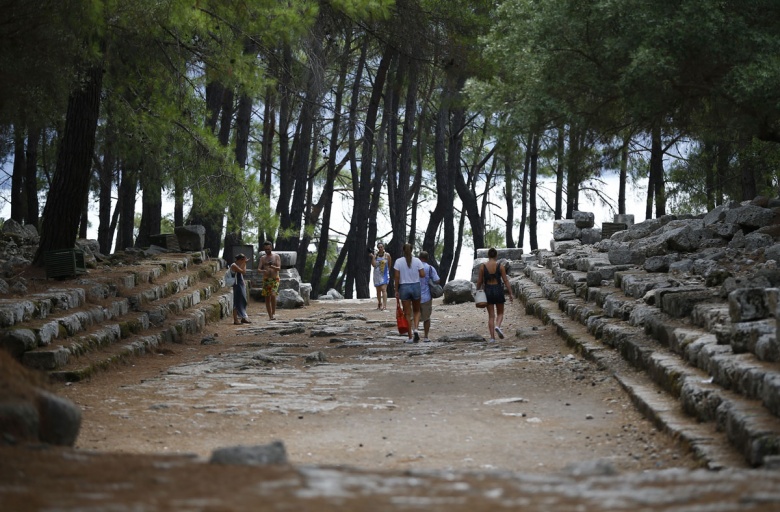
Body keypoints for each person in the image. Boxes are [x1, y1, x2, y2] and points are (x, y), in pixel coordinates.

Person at [476, 247, 514, 342]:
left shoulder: (482, 266)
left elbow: (480, 281)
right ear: (496, 256)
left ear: (488, 256)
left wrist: (477, 292)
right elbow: (505, 280)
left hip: (488, 290)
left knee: (491, 316)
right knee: (500, 313)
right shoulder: (500, 266)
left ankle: (492, 338)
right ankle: (498, 326)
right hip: (498, 289)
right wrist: (510, 293)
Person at [394, 242, 425, 343]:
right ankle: (416, 329)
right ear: (412, 250)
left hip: (404, 287)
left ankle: (410, 337)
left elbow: (397, 277)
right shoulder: (417, 261)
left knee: (407, 313)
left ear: (403, 250)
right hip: (416, 286)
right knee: (416, 311)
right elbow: (422, 274)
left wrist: (396, 290)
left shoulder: (398, 262)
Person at [417, 251, 439, 343]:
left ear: (419, 257)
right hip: (426, 296)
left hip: (415, 295)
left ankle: (415, 333)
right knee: (427, 318)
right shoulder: (430, 268)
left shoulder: (414, 267)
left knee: (415, 316)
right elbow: (437, 280)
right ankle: (426, 337)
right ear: (427, 258)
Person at [258, 240, 281, 320]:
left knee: (273, 295)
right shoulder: (262, 258)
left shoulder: (276, 256)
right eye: (265, 249)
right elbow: (259, 269)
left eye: (268, 249)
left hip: (275, 279)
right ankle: (270, 315)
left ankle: (273, 311)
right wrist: (263, 271)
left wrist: (272, 266)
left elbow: (279, 268)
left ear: (271, 248)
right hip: (266, 279)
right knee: (267, 297)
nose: (267, 251)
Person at [230, 254, 251, 325]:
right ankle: (235, 320)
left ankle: (243, 317)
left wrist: (244, 263)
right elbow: (243, 271)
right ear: (240, 260)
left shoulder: (240, 265)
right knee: (237, 301)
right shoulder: (234, 265)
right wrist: (244, 263)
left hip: (241, 284)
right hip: (237, 285)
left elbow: (243, 271)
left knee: (243, 300)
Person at [370, 242, 392, 310]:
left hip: (384, 274)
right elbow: (373, 265)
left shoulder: (387, 255)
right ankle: (379, 303)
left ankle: (385, 305)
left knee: (384, 289)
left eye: (381, 247)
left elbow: (389, 264)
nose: (380, 248)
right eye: (379, 247)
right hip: (377, 274)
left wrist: (387, 271)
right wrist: (373, 257)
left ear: (383, 247)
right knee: (378, 290)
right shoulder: (376, 255)